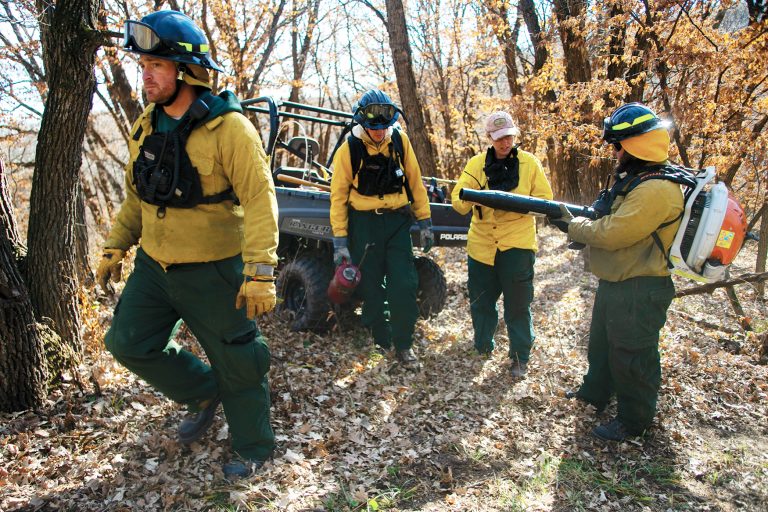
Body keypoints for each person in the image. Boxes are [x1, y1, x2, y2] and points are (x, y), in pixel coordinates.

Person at [97, 10, 278, 479]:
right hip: (154, 269)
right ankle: (201, 390)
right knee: (127, 342)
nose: (146, 74)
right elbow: (138, 195)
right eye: (143, 65)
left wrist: (260, 269)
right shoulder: (146, 125)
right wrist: (117, 244)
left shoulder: (230, 130)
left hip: (215, 272)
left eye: (156, 65)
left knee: (240, 360)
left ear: (186, 70)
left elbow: (260, 200)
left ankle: (254, 448)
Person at [555, 102, 683, 441]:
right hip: (618, 281)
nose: (615, 152)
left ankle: (634, 420)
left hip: (640, 287)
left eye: (618, 145)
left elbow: (614, 233)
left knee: (632, 354)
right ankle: (595, 394)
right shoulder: (638, 179)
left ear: (633, 145)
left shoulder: (657, 189)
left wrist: (574, 227)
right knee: (601, 346)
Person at [329, 89, 433, 369]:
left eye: (384, 126)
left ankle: (404, 345)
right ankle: (381, 341)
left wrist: (425, 221)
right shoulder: (349, 150)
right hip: (364, 225)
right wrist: (340, 241)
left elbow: (415, 181)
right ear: (363, 123)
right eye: (374, 127)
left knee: (404, 284)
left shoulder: (399, 141)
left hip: (397, 222)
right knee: (372, 289)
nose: (380, 132)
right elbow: (338, 198)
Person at [451, 111, 554, 378]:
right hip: (482, 245)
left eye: (508, 137)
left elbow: (545, 202)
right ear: (489, 138)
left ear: (514, 135)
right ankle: (483, 346)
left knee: (518, 304)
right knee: (481, 301)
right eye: (499, 139)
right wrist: (476, 198)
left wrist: (516, 207)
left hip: (517, 246)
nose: (504, 143)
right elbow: (458, 201)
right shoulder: (475, 165)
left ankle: (520, 356)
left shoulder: (530, 164)